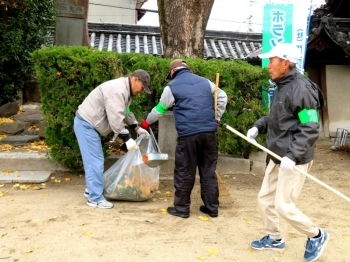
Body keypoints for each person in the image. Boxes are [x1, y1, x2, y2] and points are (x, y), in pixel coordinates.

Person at [246, 43, 328, 262]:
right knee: (265, 200)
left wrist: (293, 155)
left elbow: (310, 126)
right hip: (277, 154)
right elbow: (278, 118)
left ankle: (316, 235)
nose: (268, 65)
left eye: (271, 61)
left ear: (285, 62)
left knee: (283, 205)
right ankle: (274, 237)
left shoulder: (302, 89)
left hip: (294, 158)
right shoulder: (282, 86)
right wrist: (259, 125)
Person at [140, 59, 227, 218]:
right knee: (208, 171)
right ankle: (212, 208)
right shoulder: (205, 82)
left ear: (173, 72)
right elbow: (222, 96)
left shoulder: (171, 87)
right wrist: (216, 119)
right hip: (208, 133)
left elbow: (159, 110)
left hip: (188, 135)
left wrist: (146, 122)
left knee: (185, 171)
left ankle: (181, 209)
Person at [74, 69, 152, 209]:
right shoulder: (118, 91)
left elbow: (125, 112)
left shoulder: (125, 90)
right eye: (142, 87)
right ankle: (95, 198)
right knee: (95, 162)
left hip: (89, 124)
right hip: (86, 124)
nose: (141, 91)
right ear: (135, 80)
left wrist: (136, 127)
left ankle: (91, 190)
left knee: (95, 161)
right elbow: (116, 118)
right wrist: (127, 138)